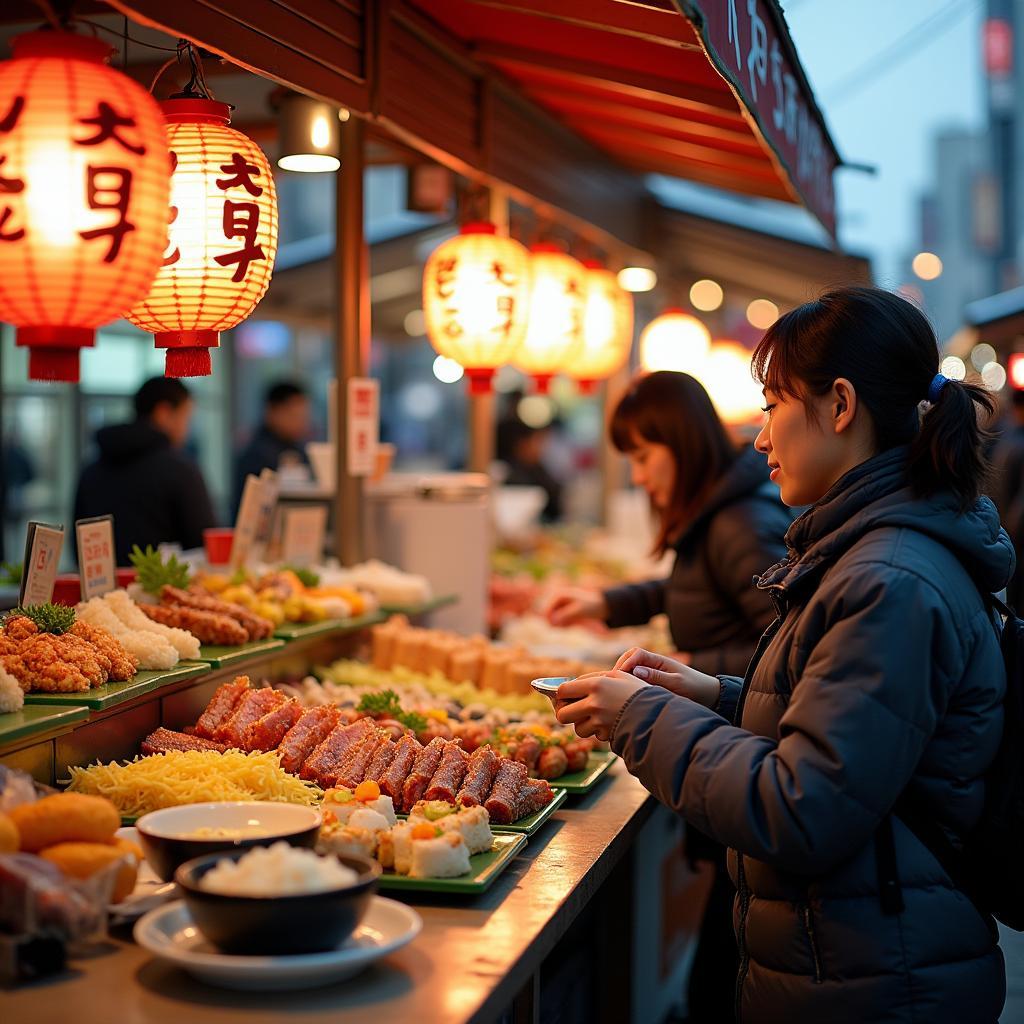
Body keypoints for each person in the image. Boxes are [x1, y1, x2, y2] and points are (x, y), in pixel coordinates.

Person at [554, 286, 1010, 1024]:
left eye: (771, 406)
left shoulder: (887, 577)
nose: (760, 437)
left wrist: (642, 718)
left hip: (878, 978)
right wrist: (718, 695)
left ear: (839, 406)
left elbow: (804, 809)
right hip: (857, 953)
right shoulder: (869, 553)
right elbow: (852, 739)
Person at [547, 370, 790, 1023]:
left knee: (725, 953)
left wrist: (689, 667)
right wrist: (608, 602)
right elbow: (689, 589)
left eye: (643, 457)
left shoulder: (742, 518)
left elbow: (785, 651)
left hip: (740, 752)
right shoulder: (718, 509)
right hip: (725, 745)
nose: (636, 476)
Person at [74, 377, 216, 565]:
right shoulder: (180, 469)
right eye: (186, 417)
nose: (186, 429)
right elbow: (204, 542)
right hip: (162, 589)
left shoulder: (91, 469)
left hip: (100, 592)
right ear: (163, 413)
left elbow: (77, 545)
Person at [233, 380, 311, 512]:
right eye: (294, 415)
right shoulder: (255, 454)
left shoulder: (300, 449)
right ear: (272, 412)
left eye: (303, 416)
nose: (301, 422)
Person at [501, 418, 563, 522]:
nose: (540, 447)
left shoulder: (535, 467)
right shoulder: (512, 475)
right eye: (535, 441)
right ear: (521, 445)